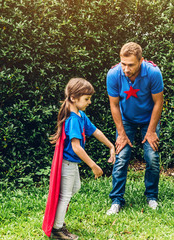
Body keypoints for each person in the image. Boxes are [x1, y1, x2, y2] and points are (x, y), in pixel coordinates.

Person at [46, 78, 116, 239]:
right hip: (67, 164)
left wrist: (111, 145)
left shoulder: (80, 115)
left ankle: (58, 219)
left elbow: (95, 131)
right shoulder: (73, 120)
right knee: (65, 196)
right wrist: (94, 166)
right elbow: (76, 147)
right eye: (86, 99)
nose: (89, 102)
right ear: (73, 98)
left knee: (74, 189)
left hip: (72, 164)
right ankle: (57, 229)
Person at [106, 42, 164, 215]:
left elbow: (158, 102)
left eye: (130, 65)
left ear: (141, 61)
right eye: (123, 64)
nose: (126, 69)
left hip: (149, 120)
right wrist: (121, 133)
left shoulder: (153, 73)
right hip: (126, 120)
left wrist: (152, 130)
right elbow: (114, 105)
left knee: (152, 157)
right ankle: (116, 200)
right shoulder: (113, 74)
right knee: (121, 157)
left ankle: (152, 196)